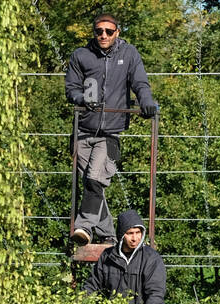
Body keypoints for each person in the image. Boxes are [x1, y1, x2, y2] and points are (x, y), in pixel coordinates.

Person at [65, 14, 158, 245]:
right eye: (99, 31)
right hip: (83, 130)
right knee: (91, 185)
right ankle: (108, 236)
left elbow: (140, 83)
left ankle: (83, 227)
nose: (103, 35)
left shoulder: (129, 54)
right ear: (93, 32)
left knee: (96, 179)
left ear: (117, 32)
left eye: (108, 31)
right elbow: (72, 89)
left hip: (111, 133)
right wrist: (82, 99)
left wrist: (146, 100)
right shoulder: (81, 55)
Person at [82, 210, 166, 304]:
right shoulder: (107, 256)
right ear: (121, 235)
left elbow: (155, 294)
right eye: (130, 233)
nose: (135, 238)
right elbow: (92, 286)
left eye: (138, 233)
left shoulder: (151, 258)